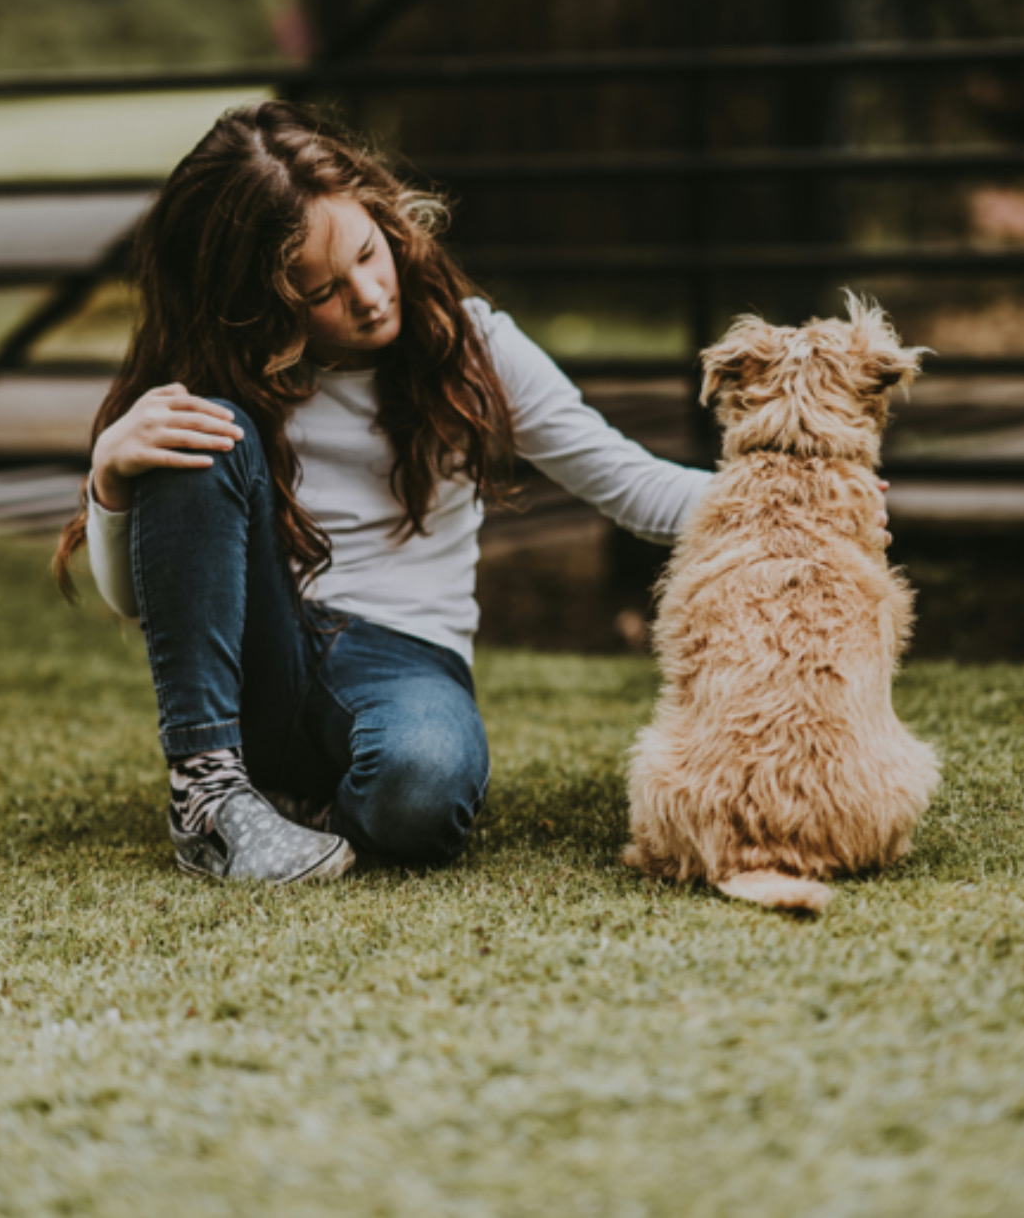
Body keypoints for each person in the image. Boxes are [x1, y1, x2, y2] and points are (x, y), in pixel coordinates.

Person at [52, 100, 716, 885]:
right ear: (261, 307)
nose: (369, 295)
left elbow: (632, 484)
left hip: (407, 656)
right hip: (263, 652)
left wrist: (802, 499)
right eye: (322, 292)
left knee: (423, 794)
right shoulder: (213, 387)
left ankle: (289, 814)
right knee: (199, 426)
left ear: (385, 216)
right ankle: (209, 799)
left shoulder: (475, 347)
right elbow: (138, 605)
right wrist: (110, 478)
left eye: (369, 253)